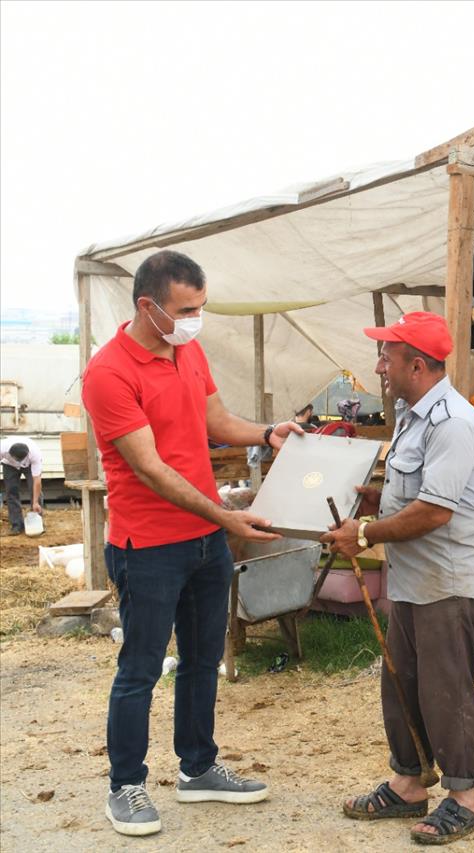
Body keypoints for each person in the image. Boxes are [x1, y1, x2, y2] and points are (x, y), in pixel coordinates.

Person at [81, 250, 304, 837]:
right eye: (186, 310)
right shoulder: (108, 374)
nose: (195, 320)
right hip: (148, 544)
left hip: (205, 540)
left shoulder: (187, 349)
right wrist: (226, 515)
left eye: (201, 308)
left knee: (204, 660)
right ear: (146, 305)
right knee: (142, 666)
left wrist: (267, 431)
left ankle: (198, 768)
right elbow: (150, 468)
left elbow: (217, 422)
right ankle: (125, 785)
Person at [323, 311, 474, 845]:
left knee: (448, 692)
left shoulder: (454, 423)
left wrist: (367, 532)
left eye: (387, 358)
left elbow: (435, 512)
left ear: (416, 365)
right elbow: (415, 496)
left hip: (448, 582)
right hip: (416, 581)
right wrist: (378, 499)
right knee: (401, 685)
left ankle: (464, 798)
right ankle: (409, 783)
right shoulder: (413, 415)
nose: (379, 366)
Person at [1, 435, 43, 534]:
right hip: (9, 465)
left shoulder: (35, 454)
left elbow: (37, 481)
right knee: (11, 491)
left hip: (29, 465)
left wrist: (35, 502)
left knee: (35, 490)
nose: (19, 462)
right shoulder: (2, 448)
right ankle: (16, 525)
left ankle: (37, 522)